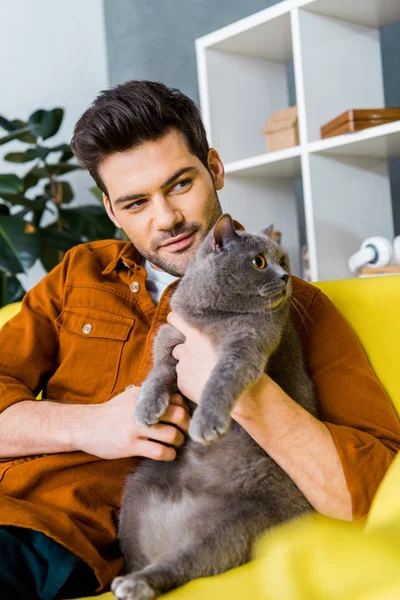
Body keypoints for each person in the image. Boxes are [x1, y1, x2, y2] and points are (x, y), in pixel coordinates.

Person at [0, 80, 399, 600]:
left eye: (180, 184)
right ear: (111, 210)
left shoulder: (298, 309)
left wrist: (248, 393)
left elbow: (378, 489)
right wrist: (91, 425)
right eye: (136, 202)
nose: (165, 218)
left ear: (215, 169)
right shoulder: (79, 273)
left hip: (45, 538)